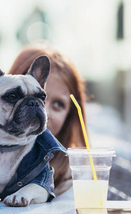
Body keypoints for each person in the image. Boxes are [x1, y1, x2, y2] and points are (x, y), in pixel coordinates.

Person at [8, 44, 87, 196]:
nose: (44, 112)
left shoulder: (73, 180)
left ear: (69, 117)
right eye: (31, 96)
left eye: (58, 104)